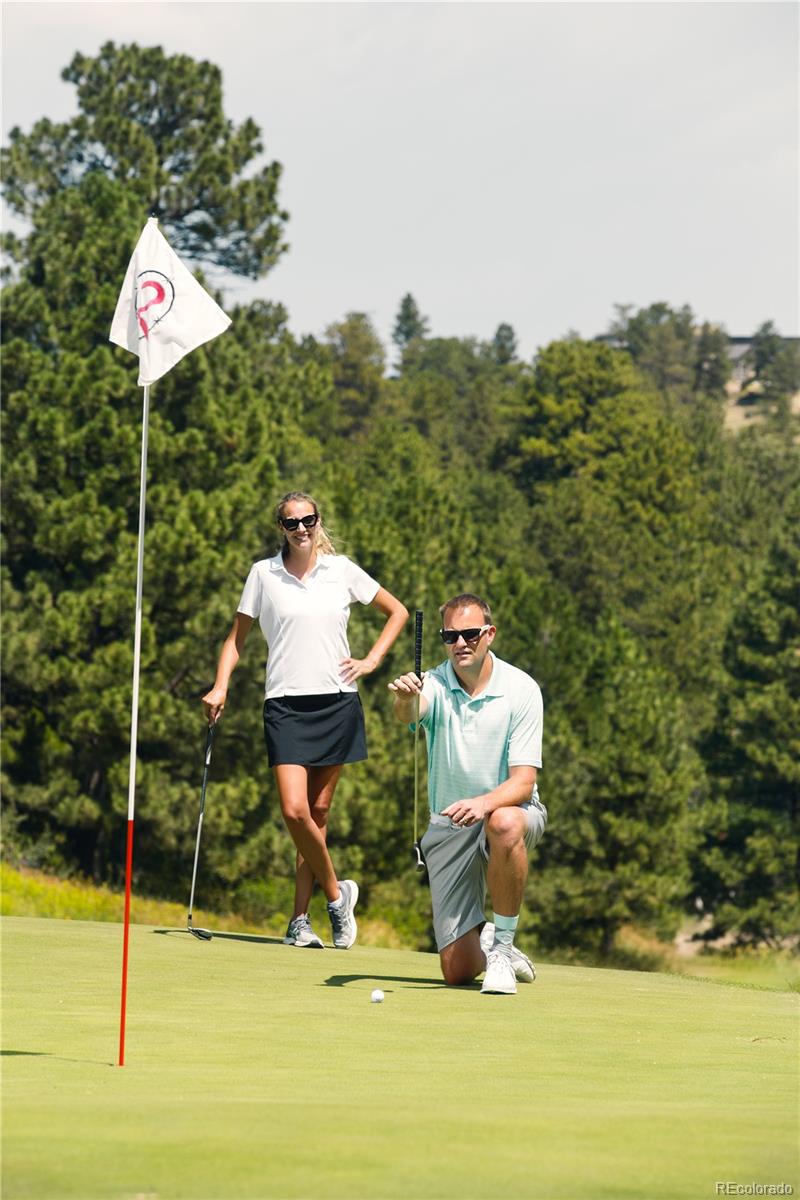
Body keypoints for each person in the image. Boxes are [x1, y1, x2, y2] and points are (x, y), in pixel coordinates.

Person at [203, 491, 408, 950]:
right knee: (295, 810)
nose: (301, 529)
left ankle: (299, 920)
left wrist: (372, 660)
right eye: (291, 523)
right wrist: (221, 686)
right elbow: (235, 640)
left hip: (336, 702)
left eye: (308, 521)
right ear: (281, 527)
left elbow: (398, 612)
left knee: (317, 814)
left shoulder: (342, 570)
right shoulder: (263, 574)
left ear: (318, 522)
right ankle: (338, 897)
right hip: (285, 706)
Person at [389, 593, 546, 994]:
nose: (460, 644)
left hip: (511, 811)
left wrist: (484, 804)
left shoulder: (521, 688)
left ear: (489, 634)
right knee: (457, 972)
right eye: (450, 636)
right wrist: (404, 699)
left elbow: (523, 782)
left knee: (504, 821)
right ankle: (491, 940)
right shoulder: (435, 683)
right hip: (449, 825)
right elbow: (412, 711)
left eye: (470, 634)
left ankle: (502, 949)